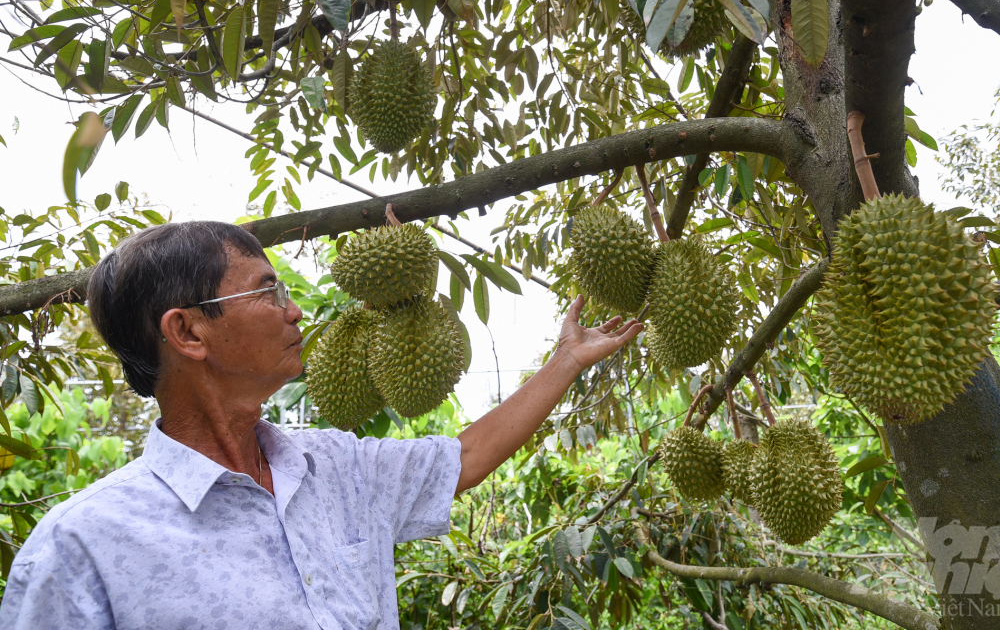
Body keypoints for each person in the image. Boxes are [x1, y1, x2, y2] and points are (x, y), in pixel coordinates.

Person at [0, 221, 642, 629]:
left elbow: (465, 458)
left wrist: (566, 361)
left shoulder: (336, 468)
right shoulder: (82, 548)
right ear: (189, 330)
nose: (295, 308)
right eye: (269, 291)